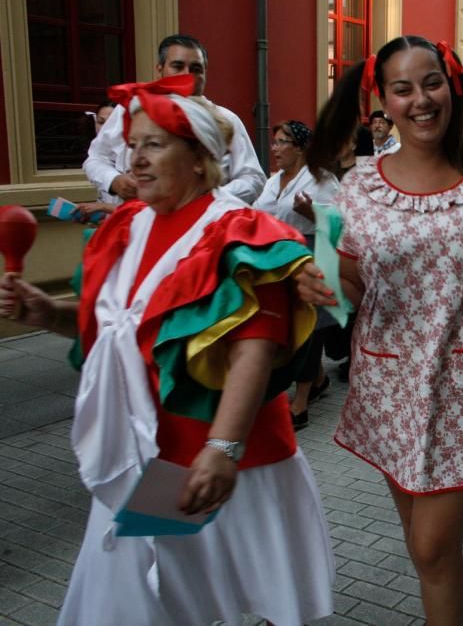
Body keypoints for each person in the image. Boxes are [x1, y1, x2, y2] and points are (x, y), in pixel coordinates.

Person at [0, 75, 335, 625]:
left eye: (153, 144)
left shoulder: (240, 232)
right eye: (132, 145)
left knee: (234, 592)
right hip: (152, 451)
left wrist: (223, 449)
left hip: (224, 455)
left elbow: (255, 345)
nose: (135, 159)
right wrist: (46, 313)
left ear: (202, 158)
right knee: (138, 596)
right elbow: (107, 330)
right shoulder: (125, 227)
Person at [298, 35, 463, 625]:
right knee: (423, 546)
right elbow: (349, 284)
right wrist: (314, 279)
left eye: (431, 82)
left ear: (453, 85)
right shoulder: (359, 186)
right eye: (403, 88)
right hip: (390, 380)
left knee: (432, 546)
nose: (421, 99)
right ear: (382, 99)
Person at [84, 34, 266, 207]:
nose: (187, 75)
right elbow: (96, 159)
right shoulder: (132, 111)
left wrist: (207, 199)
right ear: (160, 69)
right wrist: (114, 181)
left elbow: (253, 179)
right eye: (178, 66)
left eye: (196, 69)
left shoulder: (225, 120)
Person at [252, 120, 339, 430]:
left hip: (312, 254)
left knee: (310, 327)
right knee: (289, 325)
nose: (274, 148)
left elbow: (343, 222)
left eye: (281, 142)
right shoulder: (273, 180)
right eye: (274, 142)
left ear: (300, 147)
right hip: (277, 258)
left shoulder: (321, 179)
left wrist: (311, 214)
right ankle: (318, 380)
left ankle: (300, 402)